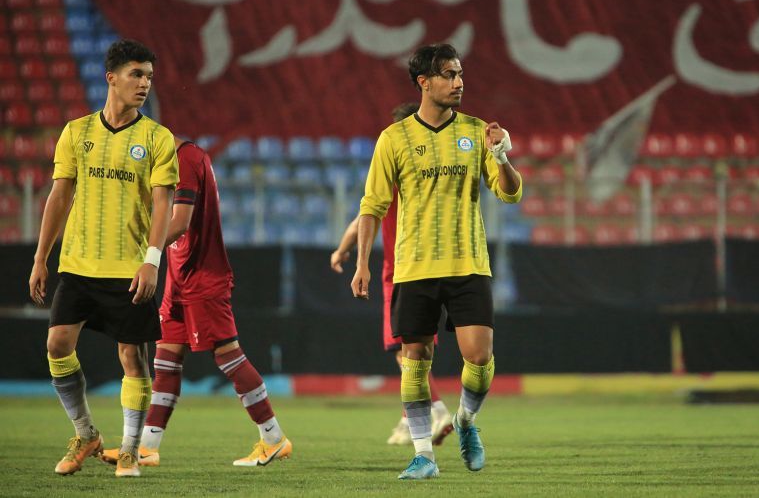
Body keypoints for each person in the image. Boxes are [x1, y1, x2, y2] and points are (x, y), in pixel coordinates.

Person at [351, 43, 522, 480]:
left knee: (479, 358)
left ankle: (465, 422)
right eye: (449, 74)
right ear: (424, 82)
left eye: (460, 73)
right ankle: (424, 455)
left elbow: (510, 193)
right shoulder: (394, 139)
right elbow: (372, 205)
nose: (458, 82)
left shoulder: (477, 131)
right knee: (415, 358)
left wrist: (501, 156)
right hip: (415, 267)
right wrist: (362, 263)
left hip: (468, 263)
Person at [28, 39, 178, 478]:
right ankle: (86, 433)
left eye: (149, 76)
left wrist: (152, 260)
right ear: (111, 77)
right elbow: (59, 196)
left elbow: (164, 204)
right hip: (78, 264)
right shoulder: (77, 132)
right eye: (136, 74)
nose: (144, 84)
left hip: (129, 268)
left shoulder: (157, 138)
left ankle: (129, 449)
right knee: (57, 345)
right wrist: (41, 257)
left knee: (132, 358)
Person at [99, 137, 292, 468]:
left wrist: (145, 253)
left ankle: (274, 438)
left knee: (229, 356)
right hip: (179, 276)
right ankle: (147, 447)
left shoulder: (186, 158)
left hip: (203, 276)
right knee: (166, 359)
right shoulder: (174, 159)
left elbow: (180, 223)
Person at [331, 102, 453, 447]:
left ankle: (438, 409)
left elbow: (365, 217)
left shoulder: (394, 171)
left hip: (400, 270)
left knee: (402, 351)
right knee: (418, 348)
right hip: (434, 266)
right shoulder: (435, 172)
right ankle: (408, 418)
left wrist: (344, 252)